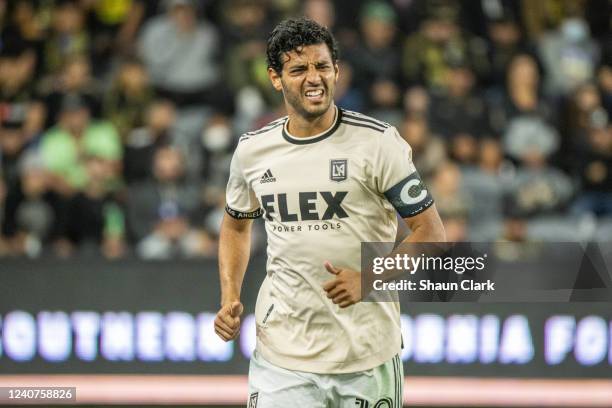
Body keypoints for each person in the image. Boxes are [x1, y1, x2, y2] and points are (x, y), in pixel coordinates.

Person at [214, 17, 445, 407]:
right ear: (275, 78)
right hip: (282, 355)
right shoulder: (252, 150)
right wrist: (229, 296)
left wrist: (367, 278)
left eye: (322, 66)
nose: (313, 78)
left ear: (337, 71)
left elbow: (431, 234)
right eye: (298, 69)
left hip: (366, 353)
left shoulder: (378, 143)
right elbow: (236, 226)